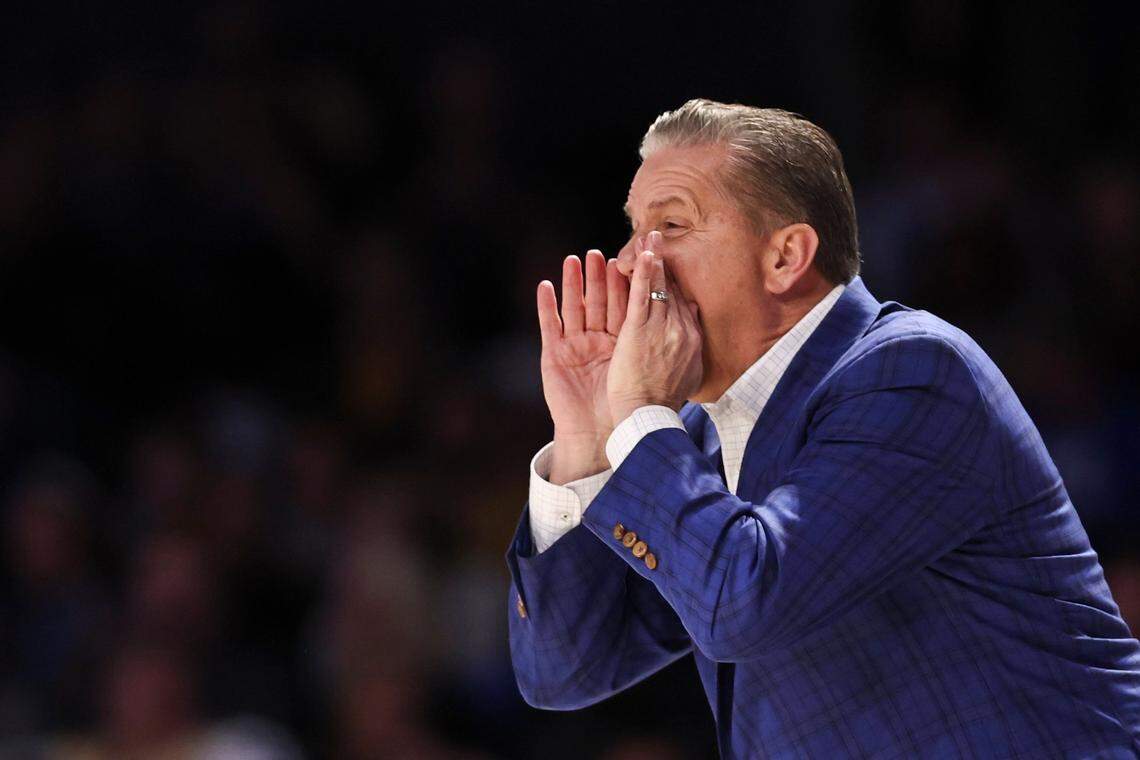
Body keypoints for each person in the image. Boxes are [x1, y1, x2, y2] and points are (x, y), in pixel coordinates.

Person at [505, 99, 1140, 758]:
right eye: (633, 230)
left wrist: (638, 416)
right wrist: (587, 441)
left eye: (671, 224)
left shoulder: (911, 373)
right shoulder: (695, 440)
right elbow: (564, 672)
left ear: (786, 256)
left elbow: (743, 602)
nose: (635, 264)